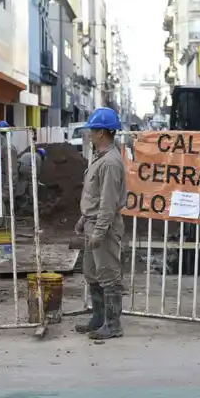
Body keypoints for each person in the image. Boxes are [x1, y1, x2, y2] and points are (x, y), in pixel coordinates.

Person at [73, 107, 126, 340]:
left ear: (103, 132)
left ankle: (113, 325)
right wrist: (84, 218)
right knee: (92, 273)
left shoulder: (111, 163)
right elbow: (94, 195)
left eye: (93, 131)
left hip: (102, 226)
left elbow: (108, 202)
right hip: (92, 222)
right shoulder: (99, 157)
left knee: (108, 274)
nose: (90, 135)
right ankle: (99, 318)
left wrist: (99, 232)